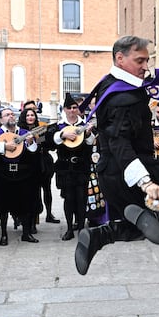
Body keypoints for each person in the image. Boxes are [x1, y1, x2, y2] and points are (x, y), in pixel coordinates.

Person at [74, 35, 159, 275]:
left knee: (139, 227)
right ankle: (145, 218)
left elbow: (145, 87)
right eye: (140, 61)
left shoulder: (113, 82)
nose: (146, 67)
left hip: (111, 174)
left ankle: (99, 235)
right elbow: (119, 142)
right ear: (120, 58)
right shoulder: (123, 99)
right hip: (134, 169)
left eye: (147, 61)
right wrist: (145, 182)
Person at [0, 108, 41, 245]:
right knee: (3, 204)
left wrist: (30, 143)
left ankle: (26, 233)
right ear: (1, 119)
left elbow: (34, 151)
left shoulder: (23, 133)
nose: (10, 116)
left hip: (23, 174)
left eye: (12, 114)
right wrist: (4, 146)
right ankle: (4, 234)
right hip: (3, 174)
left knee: (25, 203)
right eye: (7, 115)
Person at [53, 94, 96, 240]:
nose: (72, 110)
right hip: (65, 168)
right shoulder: (59, 125)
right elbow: (52, 142)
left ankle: (81, 227)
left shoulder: (84, 124)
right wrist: (63, 134)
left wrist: (89, 133)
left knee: (82, 197)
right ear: (64, 109)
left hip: (81, 167)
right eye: (70, 108)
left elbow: (91, 143)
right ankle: (69, 228)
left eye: (75, 108)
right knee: (69, 198)